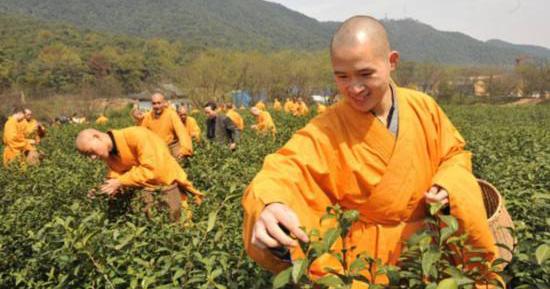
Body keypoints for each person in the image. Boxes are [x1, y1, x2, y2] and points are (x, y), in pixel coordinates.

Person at [242, 15, 497, 286]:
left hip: (431, 254)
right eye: (342, 76)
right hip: (365, 267)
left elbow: (454, 154)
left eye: (365, 74)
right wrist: (269, 205)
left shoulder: (424, 108)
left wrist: (448, 184)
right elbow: (283, 170)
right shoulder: (326, 128)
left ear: (391, 62)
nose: (354, 88)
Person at [75, 127, 203, 222]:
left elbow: (153, 169)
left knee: (180, 226)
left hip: (170, 188)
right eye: (87, 156)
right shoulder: (110, 155)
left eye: (90, 151)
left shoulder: (136, 135)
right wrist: (100, 191)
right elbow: (116, 177)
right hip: (147, 195)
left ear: (97, 136)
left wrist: (121, 181)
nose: (92, 158)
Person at [135, 93, 193, 159]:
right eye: (154, 103)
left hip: (171, 146)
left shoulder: (171, 115)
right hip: (155, 148)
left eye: (159, 103)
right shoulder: (148, 116)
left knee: (179, 158)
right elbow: (141, 133)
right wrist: (138, 119)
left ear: (164, 103)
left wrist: (185, 148)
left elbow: (181, 132)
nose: (157, 106)